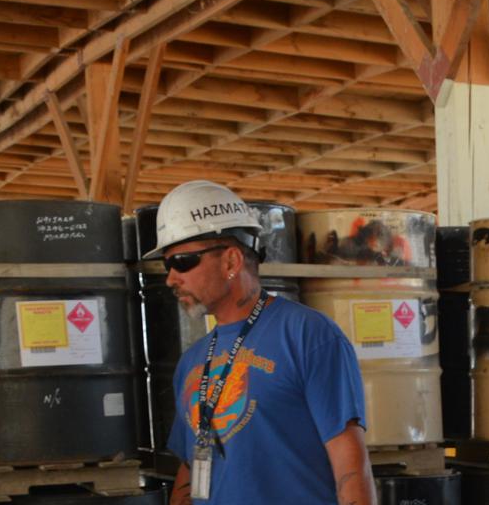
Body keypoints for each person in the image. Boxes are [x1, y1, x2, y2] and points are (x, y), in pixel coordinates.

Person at [144, 181, 375, 505]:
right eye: (167, 265)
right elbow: (191, 467)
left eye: (182, 261)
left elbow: (352, 467)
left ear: (231, 261)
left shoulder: (308, 336)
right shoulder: (192, 361)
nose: (171, 278)